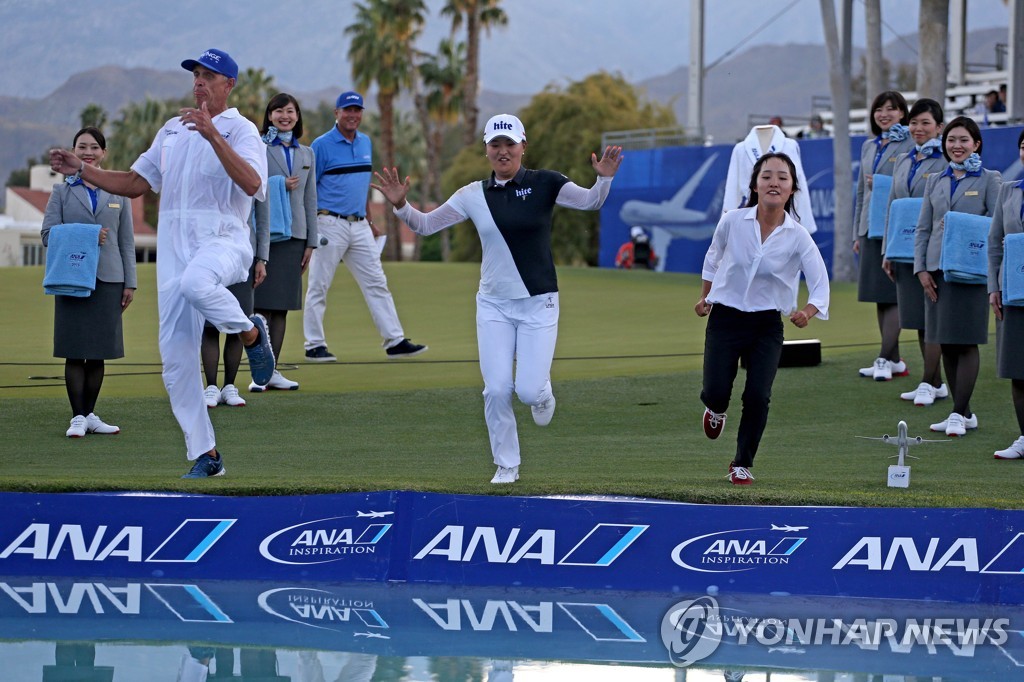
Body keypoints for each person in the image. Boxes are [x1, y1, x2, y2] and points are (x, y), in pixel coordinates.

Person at [49, 48, 274, 478]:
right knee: (175, 361)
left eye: (210, 75)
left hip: (223, 240)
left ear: (229, 85)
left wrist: (213, 136)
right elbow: (135, 183)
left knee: (197, 283)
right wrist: (83, 169)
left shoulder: (240, 129)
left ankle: (249, 332)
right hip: (174, 254)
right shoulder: (171, 129)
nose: (200, 82)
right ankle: (206, 455)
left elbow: (252, 182)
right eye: (196, 74)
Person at [373, 114, 623, 484]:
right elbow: (425, 225)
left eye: (509, 144)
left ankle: (541, 392)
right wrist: (401, 206)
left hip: (539, 302)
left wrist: (604, 178)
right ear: (487, 150)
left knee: (525, 390)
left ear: (523, 146)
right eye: (495, 145)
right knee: (495, 388)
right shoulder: (472, 195)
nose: (503, 151)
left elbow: (590, 203)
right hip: (493, 305)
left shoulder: (547, 182)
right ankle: (507, 464)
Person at [696, 152, 829, 485]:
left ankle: (742, 463)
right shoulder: (731, 221)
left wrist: (807, 312)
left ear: (792, 189)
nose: (774, 182)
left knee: (758, 395)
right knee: (715, 391)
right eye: (767, 176)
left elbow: (819, 281)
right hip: (725, 318)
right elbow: (713, 259)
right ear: (755, 185)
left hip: (767, 325)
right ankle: (715, 409)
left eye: (782, 178)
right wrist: (704, 297)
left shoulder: (798, 236)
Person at [302, 90, 426, 362]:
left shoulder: (366, 142)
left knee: (377, 283)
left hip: (359, 226)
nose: (353, 115)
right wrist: (310, 230)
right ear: (337, 113)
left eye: (357, 110)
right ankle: (314, 345)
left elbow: (361, 186)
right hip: (327, 223)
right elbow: (308, 189)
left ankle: (394, 341)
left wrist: (370, 221)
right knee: (319, 285)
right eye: (347, 110)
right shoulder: (321, 145)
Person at [42, 126, 136, 438]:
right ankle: (77, 417)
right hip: (71, 278)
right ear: (73, 151)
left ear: (103, 153)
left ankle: (90, 414)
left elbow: (126, 243)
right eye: (82, 146)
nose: (88, 152)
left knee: (98, 351)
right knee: (74, 349)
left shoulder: (118, 192)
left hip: (110, 278)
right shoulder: (61, 191)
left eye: (94, 147)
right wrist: (87, 236)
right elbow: (47, 235)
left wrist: (130, 283)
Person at [914, 115, 1001, 437]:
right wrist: (920, 268)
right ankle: (964, 414)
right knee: (946, 343)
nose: (957, 146)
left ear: (976, 144)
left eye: (964, 140)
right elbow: (923, 228)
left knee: (965, 342)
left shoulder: (990, 179)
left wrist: (960, 229)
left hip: (971, 271)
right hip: (936, 270)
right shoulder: (936, 179)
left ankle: (957, 412)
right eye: (951, 140)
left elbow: (996, 226)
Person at [881, 98, 948, 406]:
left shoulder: (946, 161)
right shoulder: (905, 159)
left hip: (933, 251)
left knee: (932, 318)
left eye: (925, 123)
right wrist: (887, 250)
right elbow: (892, 207)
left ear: (939, 127)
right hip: (905, 251)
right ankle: (935, 383)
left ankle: (927, 381)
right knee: (920, 320)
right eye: (914, 123)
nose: (918, 129)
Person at [251, 93, 318, 391]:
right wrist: (278, 184)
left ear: (297, 116)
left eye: (289, 111)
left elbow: (310, 199)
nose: (284, 116)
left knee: (281, 308)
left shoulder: (307, 154)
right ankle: (259, 373)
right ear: (269, 116)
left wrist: (311, 243)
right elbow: (250, 186)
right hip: (266, 234)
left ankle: (273, 371)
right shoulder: (259, 148)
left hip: (296, 236)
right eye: (278, 111)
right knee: (261, 306)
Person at [854, 91, 914, 381]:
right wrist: (858, 231)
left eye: (892, 109)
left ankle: (882, 356)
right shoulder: (868, 146)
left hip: (896, 227)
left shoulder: (911, 143)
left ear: (903, 113)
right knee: (880, 296)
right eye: (879, 109)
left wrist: (878, 182)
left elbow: (909, 184)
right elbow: (861, 192)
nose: (884, 114)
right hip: (870, 227)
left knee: (894, 296)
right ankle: (894, 360)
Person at [201, 201, 269, 408]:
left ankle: (229, 386)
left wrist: (262, 259)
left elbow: (263, 220)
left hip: (242, 256)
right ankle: (211, 387)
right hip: (209, 255)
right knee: (209, 325)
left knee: (238, 322)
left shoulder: (252, 171)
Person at [987, 129, 1024, 459]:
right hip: (1013, 293)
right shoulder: (1009, 192)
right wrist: (994, 287)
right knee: (1017, 368)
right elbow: (995, 242)